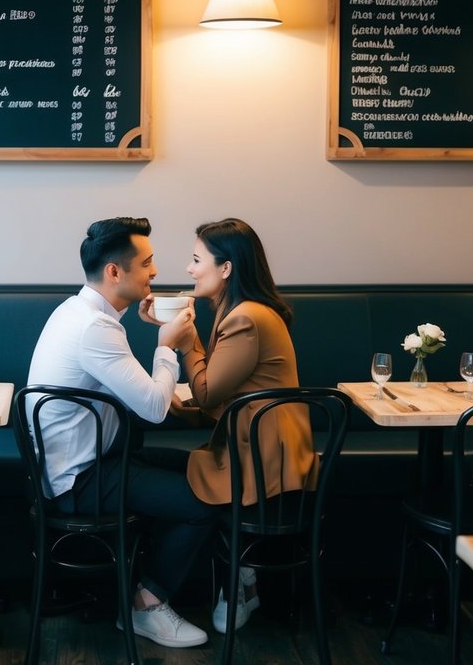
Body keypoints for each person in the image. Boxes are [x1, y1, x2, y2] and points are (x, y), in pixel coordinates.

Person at [26, 216, 216, 648]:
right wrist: (167, 345)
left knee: (205, 466)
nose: (154, 272)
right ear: (115, 271)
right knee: (202, 500)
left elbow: (135, 391)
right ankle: (146, 607)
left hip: (83, 464)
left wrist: (146, 321)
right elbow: (151, 408)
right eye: (147, 263)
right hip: (81, 479)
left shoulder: (80, 311)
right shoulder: (95, 328)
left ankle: (149, 589)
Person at [168, 217, 315, 633]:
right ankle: (239, 579)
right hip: (260, 445)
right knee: (162, 469)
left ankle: (240, 582)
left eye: (197, 260)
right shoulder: (239, 311)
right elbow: (225, 397)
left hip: (265, 461)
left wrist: (184, 343)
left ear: (226, 268)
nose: (190, 269)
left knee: (171, 485)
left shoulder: (245, 318)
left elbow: (210, 392)